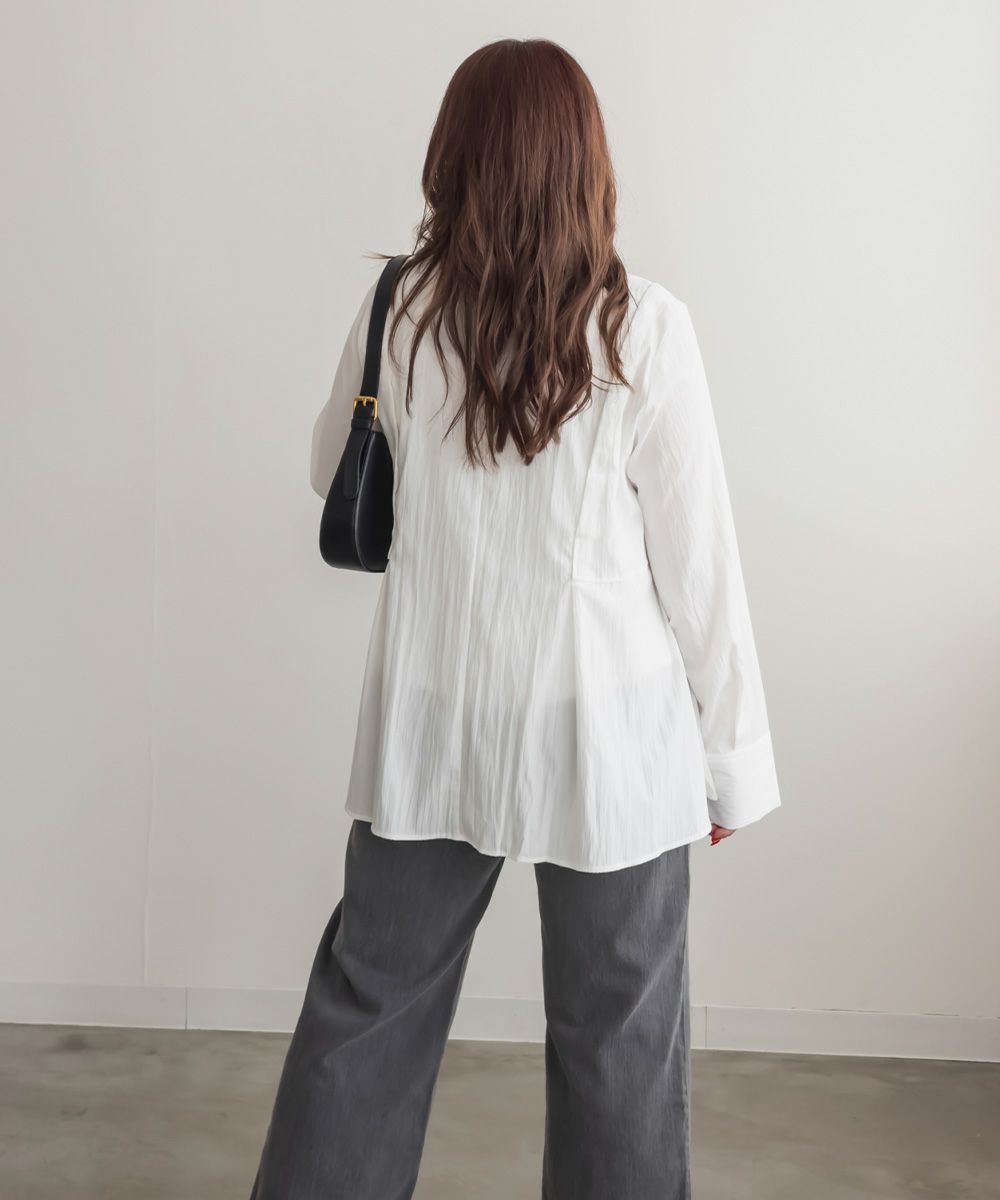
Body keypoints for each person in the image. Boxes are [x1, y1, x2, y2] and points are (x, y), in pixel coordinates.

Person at [250, 36, 780, 1200]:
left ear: (455, 157)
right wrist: (731, 765)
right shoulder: (644, 330)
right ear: (586, 161)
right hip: (608, 731)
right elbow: (701, 570)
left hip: (433, 714)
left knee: (370, 1005)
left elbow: (330, 469)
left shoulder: (402, 309)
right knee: (618, 1037)